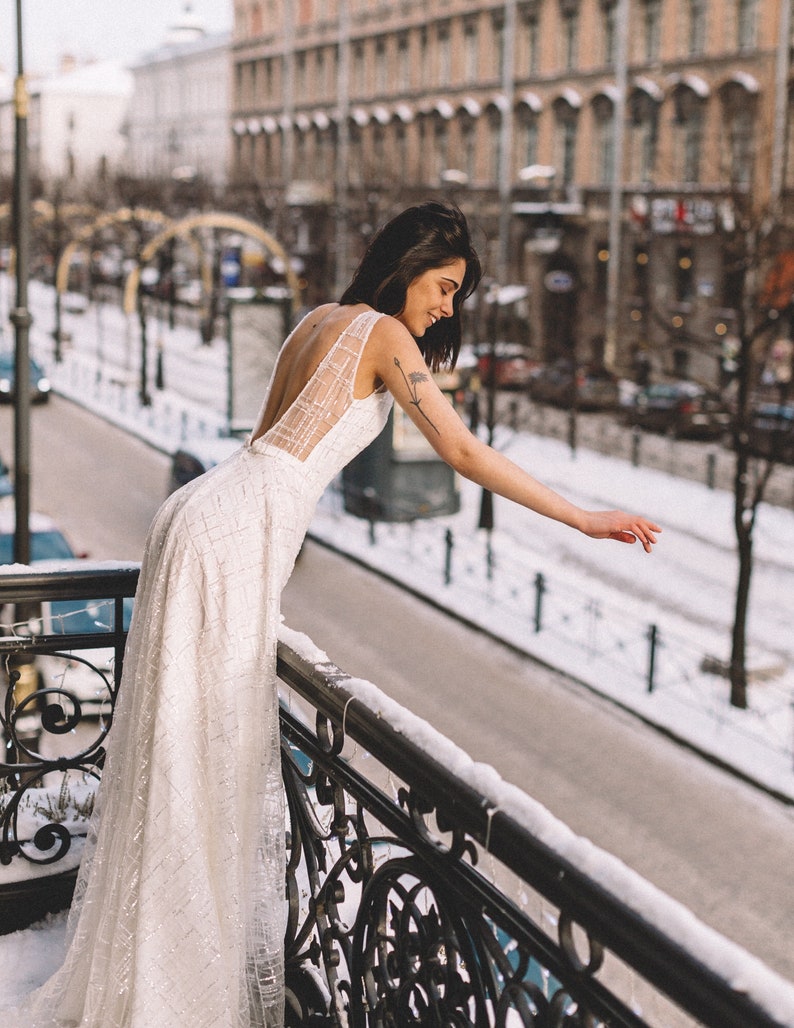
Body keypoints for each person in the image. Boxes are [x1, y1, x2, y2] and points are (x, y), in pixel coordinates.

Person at [8, 201, 660, 1028]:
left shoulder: (320, 316)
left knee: (175, 738)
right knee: (206, 745)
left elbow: (268, 438)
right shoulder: (386, 335)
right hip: (237, 528)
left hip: (202, 506)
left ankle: (152, 965)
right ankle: (174, 986)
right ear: (411, 262)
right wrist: (587, 517)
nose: (447, 308)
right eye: (445, 286)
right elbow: (461, 452)